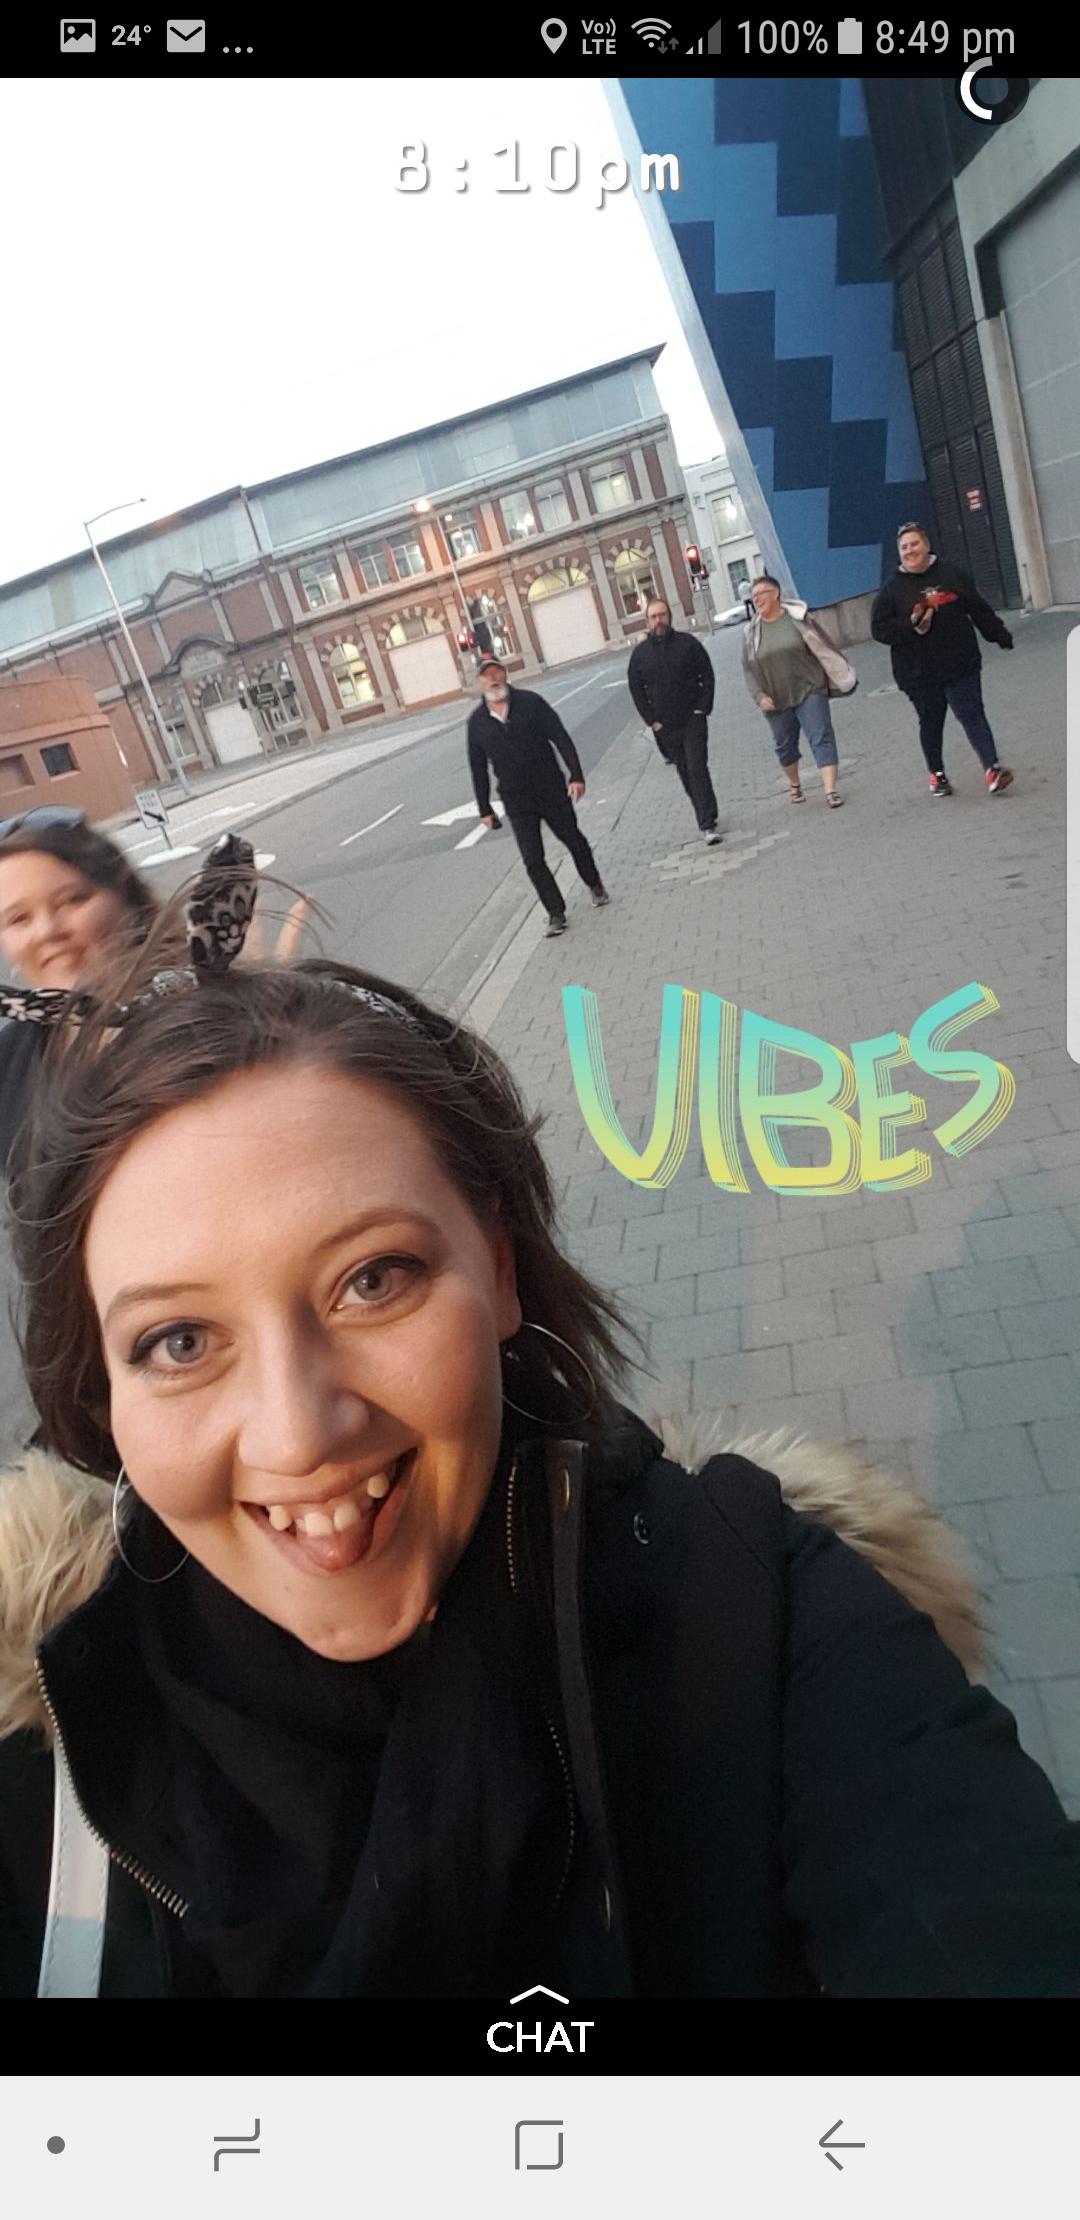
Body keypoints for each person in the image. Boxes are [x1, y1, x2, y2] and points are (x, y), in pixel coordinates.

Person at [1, 856, 1079, 1999]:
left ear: (501, 1268)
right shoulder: (41, 1749)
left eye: (373, 1279)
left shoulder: (754, 1616)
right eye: (178, 1341)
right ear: (102, 1394)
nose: (297, 1433)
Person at [0, 809, 161, 1168]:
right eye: (19, 919)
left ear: (127, 899)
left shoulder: (208, 1016)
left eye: (72, 900)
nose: (47, 931)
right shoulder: (8, 1063)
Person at [870, 522, 1016, 798]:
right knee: (931, 720)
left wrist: (998, 634)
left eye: (914, 544)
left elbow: (977, 608)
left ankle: (992, 769)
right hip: (919, 673)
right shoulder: (891, 590)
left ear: (926, 545)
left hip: (959, 662)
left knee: (972, 714)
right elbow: (879, 630)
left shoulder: (951, 574)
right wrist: (911, 626)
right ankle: (936, 774)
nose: (910, 550)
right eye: (904, 547)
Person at [467, 657, 608, 939]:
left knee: (573, 840)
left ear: (505, 675)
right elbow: (478, 767)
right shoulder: (477, 722)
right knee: (532, 859)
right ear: (479, 683)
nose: (493, 679)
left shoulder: (531, 703)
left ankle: (594, 884)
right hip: (516, 800)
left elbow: (560, 737)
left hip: (550, 789)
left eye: (497, 672)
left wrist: (576, 775)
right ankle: (555, 912)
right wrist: (484, 809)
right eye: (486, 676)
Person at [741, 576, 856, 809]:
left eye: (761, 593)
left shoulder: (799, 619)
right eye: (754, 596)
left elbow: (822, 646)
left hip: (810, 687)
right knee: (785, 746)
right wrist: (759, 696)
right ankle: (794, 784)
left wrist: (837, 673)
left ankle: (830, 790)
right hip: (775, 697)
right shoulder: (751, 631)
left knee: (821, 735)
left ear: (775, 594)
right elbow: (748, 668)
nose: (757, 599)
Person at [627, 598, 720, 844]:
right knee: (685, 771)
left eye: (662, 615)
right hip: (665, 725)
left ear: (670, 616)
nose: (658, 621)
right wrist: (652, 722)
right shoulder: (640, 655)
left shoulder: (688, 644)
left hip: (692, 718)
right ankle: (706, 809)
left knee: (697, 767)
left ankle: (707, 824)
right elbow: (636, 690)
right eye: (653, 617)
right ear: (647, 621)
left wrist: (702, 707)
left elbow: (707, 675)